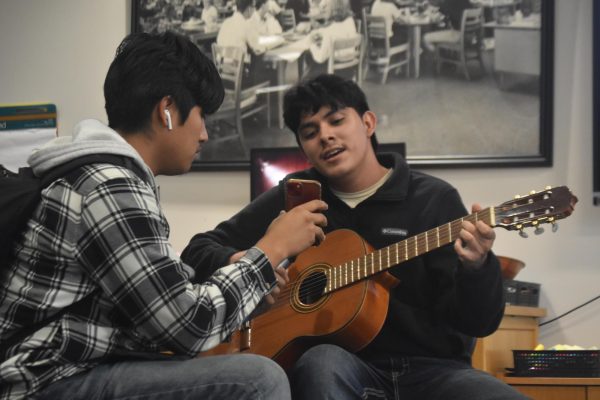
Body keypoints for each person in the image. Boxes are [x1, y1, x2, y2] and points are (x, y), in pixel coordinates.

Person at [0, 32, 328, 400]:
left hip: (70, 370)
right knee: (258, 381)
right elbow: (188, 327)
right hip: (41, 382)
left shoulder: (101, 174)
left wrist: (251, 271)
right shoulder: (109, 185)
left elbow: (157, 308)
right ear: (168, 110)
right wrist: (271, 249)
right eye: (202, 116)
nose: (204, 134)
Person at [181, 74, 529, 400]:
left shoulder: (433, 199)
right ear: (304, 147)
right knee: (321, 362)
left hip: (433, 371)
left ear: (367, 123)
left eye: (336, 120)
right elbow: (198, 250)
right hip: (343, 368)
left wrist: (478, 267)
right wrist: (247, 262)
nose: (326, 136)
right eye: (310, 131)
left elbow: (480, 323)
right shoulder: (296, 197)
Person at [216, 0, 283, 86]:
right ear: (248, 9)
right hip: (239, 80)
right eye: (253, 7)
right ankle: (266, 97)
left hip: (222, 77)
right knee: (273, 74)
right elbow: (258, 49)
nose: (254, 10)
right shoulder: (246, 24)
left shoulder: (225, 23)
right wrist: (277, 42)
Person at [302, 0, 356, 78]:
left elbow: (320, 58)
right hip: (349, 69)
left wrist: (311, 44)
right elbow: (337, 31)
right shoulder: (350, 21)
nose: (322, 10)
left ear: (333, 9)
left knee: (309, 58)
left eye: (325, 7)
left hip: (334, 72)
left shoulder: (329, 32)